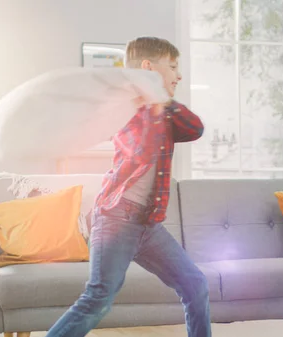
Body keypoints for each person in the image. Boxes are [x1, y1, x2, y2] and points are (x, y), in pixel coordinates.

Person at [46, 37, 210, 337]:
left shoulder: (161, 109)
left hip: (148, 225)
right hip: (117, 219)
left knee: (195, 285)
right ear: (148, 68)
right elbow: (142, 148)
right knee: (98, 298)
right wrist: (151, 99)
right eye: (172, 66)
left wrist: (163, 101)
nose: (179, 75)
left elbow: (195, 128)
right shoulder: (124, 106)